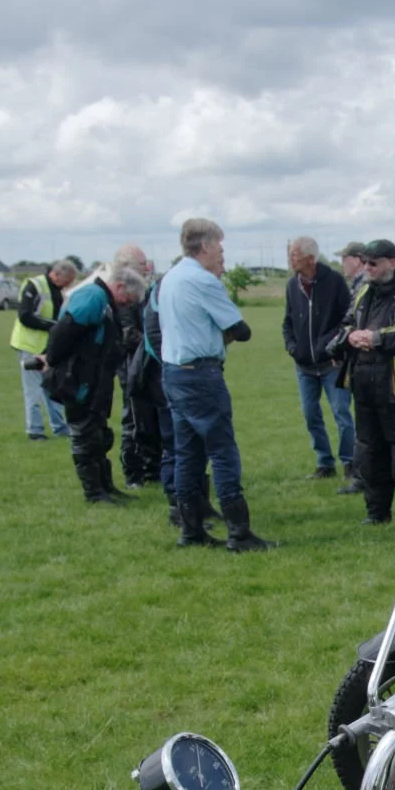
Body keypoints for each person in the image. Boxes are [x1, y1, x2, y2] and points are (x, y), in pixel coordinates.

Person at [157, 216, 274, 553]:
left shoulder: (171, 278)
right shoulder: (203, 281)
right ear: (205, 245)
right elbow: (241, 329)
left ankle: (190, 529)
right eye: (219, 246)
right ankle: (239, 533)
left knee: (186, 454)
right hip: (201, 375)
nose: (222, 253)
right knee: (222, 453)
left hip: (173, 372)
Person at [326, 239, 395, 525]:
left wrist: (378, 339)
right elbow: (347, 324)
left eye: (373, 263)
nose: (367, 269)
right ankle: (377, 514)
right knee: (370, 454)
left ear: (392, 262)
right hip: (365, 387)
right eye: (364, 263)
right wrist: (349, 338)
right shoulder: (363, 292)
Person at [41, 257, 146, 505]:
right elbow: (62, 333)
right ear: (120, 287)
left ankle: (106, 487)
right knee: (85, 435)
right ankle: (94, 493)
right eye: (128, 300)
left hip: (95, 380)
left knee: (100, 434)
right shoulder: (92, 298)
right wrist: (53, 361)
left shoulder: (103, 300)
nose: (126, 305)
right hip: (78, 380)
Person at [281, 235, 358, 484]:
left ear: (310, 258)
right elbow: (288, 321)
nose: (290, 258)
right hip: (303, 366)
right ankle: (324, 463)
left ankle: (350, 462)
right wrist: (292, 346)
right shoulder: (292, 285)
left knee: (341, 413)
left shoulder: (334, 282)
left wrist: (330, 345)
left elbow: (347, 319)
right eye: (290, 253)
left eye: (294, 254)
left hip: (331, 365)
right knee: (310, 414)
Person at [108, 243, 165, 497]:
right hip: (130, 366)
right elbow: (126, 334)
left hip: (148, 364)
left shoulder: (145, 290)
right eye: (143, 264)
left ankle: (153, 469)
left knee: (153, 416)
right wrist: (153, 340)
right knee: (133, 420)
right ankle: (134, 473)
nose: (147, 268)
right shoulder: (121, 299)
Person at [12, 259, 76, 440]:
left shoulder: (57, 290)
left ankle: (60, 428)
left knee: (52, 387)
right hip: (29, 346)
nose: (67, 286)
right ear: (56, 275)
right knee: (33, 389)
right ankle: (35, 430)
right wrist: (53, 326)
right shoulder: (34, 285)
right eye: (67, 281)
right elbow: (25, 316)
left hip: (48, 347)